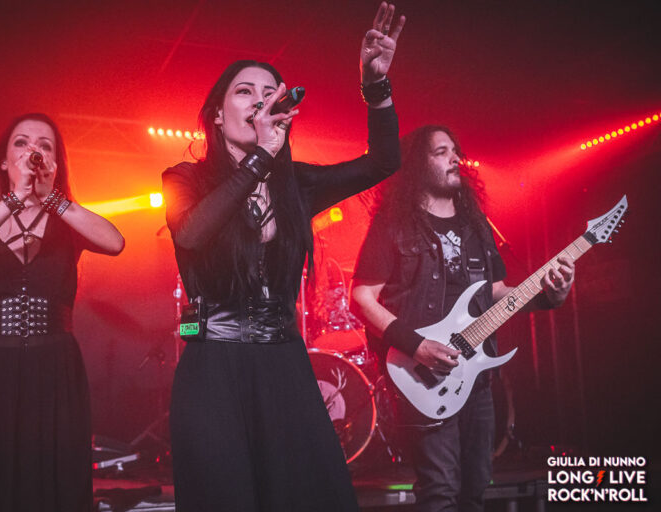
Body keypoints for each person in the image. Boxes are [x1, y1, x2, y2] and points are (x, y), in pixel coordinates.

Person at [161, 3, 406, 510]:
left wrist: (375, 84)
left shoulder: (296, 184)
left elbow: (384, 161)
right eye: (244, 91)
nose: (258, 100)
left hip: (283, 364)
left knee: (306, 494)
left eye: (269, 92)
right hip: (214, 367)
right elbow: (193, 234)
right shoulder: (184, 179)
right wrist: (261, 156)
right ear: (216, 113)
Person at [350, 125, 576, 512]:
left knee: (474, 492)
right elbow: (361, 298)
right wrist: (417, 346)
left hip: (476, 378)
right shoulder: (394, 224)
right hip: (422, 375)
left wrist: (549, 296)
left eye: (455, 150)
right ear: (417, 165)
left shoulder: (476, 225)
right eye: (441, 152)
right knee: (440, 493)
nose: (455, 158)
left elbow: (496, 293)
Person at [0, 112, 124, 512]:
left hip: (55, 364)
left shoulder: (68, 218)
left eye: (45, 146)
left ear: (56, 163)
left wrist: (50, 197)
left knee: (52, 473)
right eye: (22, 143)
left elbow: (115, 242)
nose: (33, 152)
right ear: (3, 161)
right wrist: (14, 198)